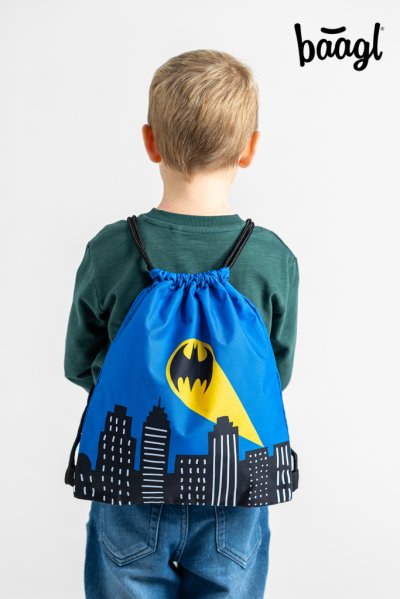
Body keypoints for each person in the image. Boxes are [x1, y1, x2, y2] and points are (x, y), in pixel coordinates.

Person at [64, 49, 299, 599]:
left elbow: (79, 362)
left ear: (150, 143)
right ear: (249, 149)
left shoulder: (111, 249)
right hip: (235, 487)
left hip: (128, 483)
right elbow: (276, 372)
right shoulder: (271, 257)